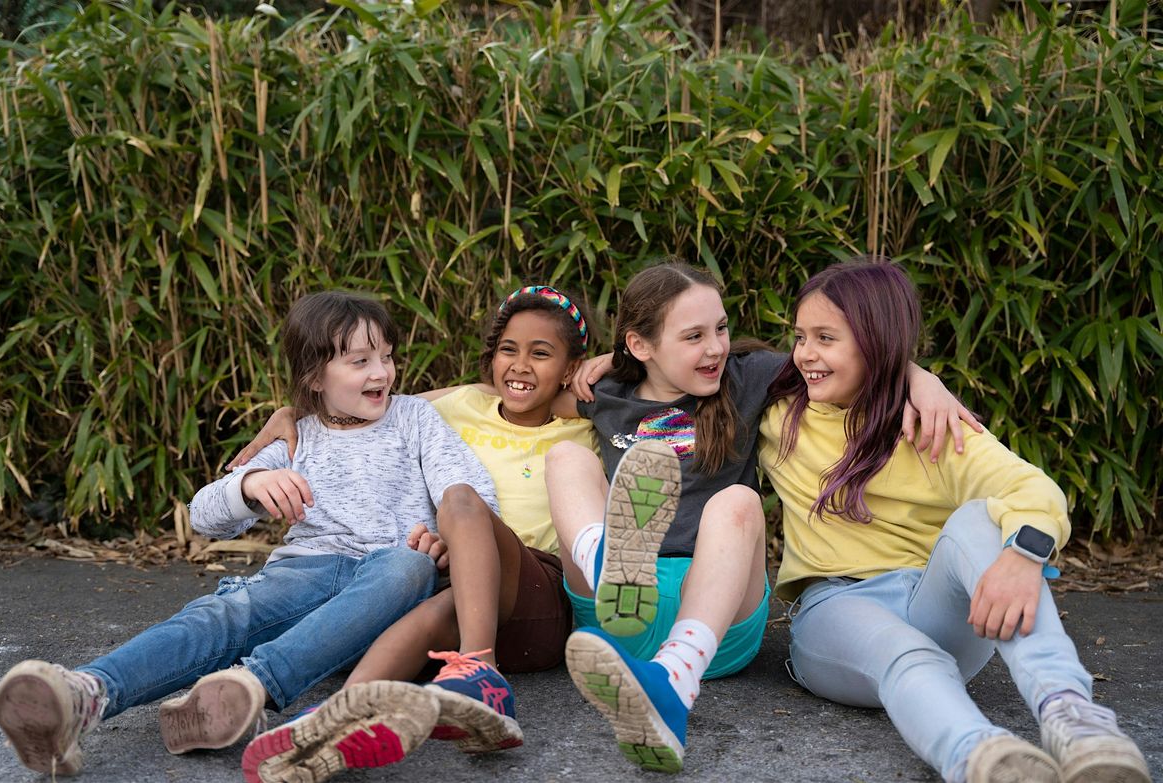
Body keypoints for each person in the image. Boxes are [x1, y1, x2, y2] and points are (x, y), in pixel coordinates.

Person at [0, 291, 499, 780]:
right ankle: (83, 695)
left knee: (405, 567)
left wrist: (446, 541)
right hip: (304, 571)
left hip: (390, 574)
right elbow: (204, 516)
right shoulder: (296, 434)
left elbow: (473, 495)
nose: (382, 372)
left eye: (387, 356)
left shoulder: (414, 418)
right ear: (313, 378)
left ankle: (248, 685)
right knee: (224, 615)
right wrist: (252, 484)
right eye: (360, 361)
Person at [549, 260, 973, 772]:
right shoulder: (608, 392)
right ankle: (609, 564)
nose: (715, 347)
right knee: (565, 459)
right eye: (693, 336)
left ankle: (676, 675)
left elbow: (855, 360)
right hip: (617, 616)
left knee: (738, 500)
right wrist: (601, 361)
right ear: (641, 346)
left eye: (720, 328)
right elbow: (522, 398)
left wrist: (919, 378)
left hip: (714, 615)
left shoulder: (746, 378)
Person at [758, 258, 1149, 783]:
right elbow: (687, 370)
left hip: (937, 604)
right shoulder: (779, 413)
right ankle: (985, 760)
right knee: (907, 652)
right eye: (801, 336)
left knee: (980, 519)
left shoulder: (931, 424)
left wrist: (1021, 554)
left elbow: (1033, 488)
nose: (805, 353)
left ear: (876, 341)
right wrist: (613, 366)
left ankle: (1076, 722)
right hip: (837, 612)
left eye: (825, 338)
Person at [225, 286, 600, 780]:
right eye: (509, 349)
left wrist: (607, 366)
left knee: (460, 497)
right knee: (433, 605)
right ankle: (338, 720)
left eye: (542, 353)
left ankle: (480, 670)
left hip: (536, 598)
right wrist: (296, 414)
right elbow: (357, 409)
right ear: (491, 357)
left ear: (573, 367)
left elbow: (657, 382)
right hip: (465, 592)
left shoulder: (588, 421)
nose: (521, 365)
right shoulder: (464, 403)